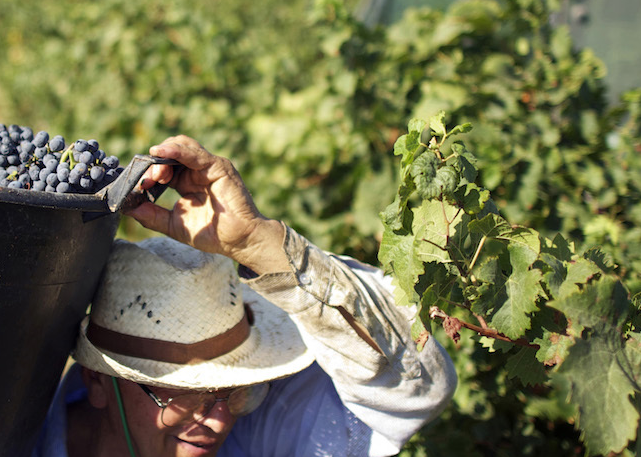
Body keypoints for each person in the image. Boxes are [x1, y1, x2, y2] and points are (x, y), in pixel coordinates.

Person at [32, 135, 457, 457]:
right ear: (99, 382)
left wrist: (260, 245)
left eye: (232, 391)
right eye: (184, 395)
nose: (218, 422)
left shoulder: (259, 425)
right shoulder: (9, 437)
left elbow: (415, 389)